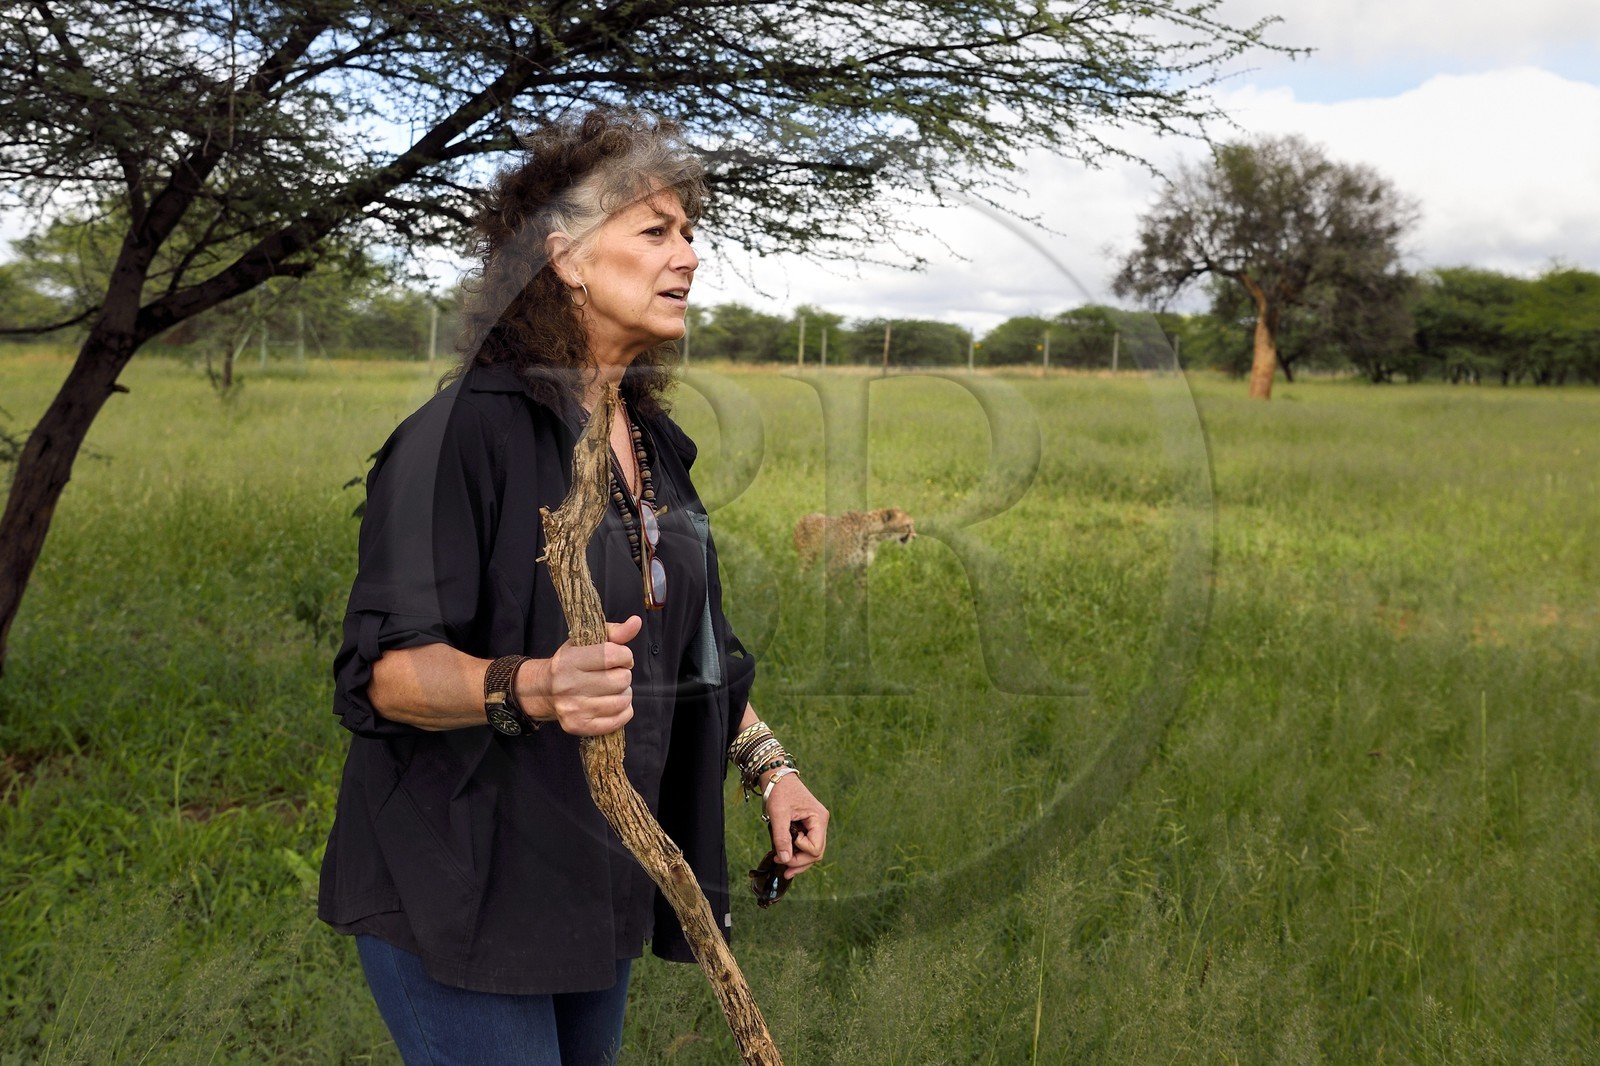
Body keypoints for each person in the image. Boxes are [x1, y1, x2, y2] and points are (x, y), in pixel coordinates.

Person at [317, 107, 829, 1066]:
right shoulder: (461, 435)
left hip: (595, 873)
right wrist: (532, 686)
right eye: (654, 230)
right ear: (566, 259)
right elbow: (386, 675)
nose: (688, 254)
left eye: (691, 232)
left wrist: (771, 768)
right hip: (462, 884)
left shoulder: (655, 443)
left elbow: (699, 647)